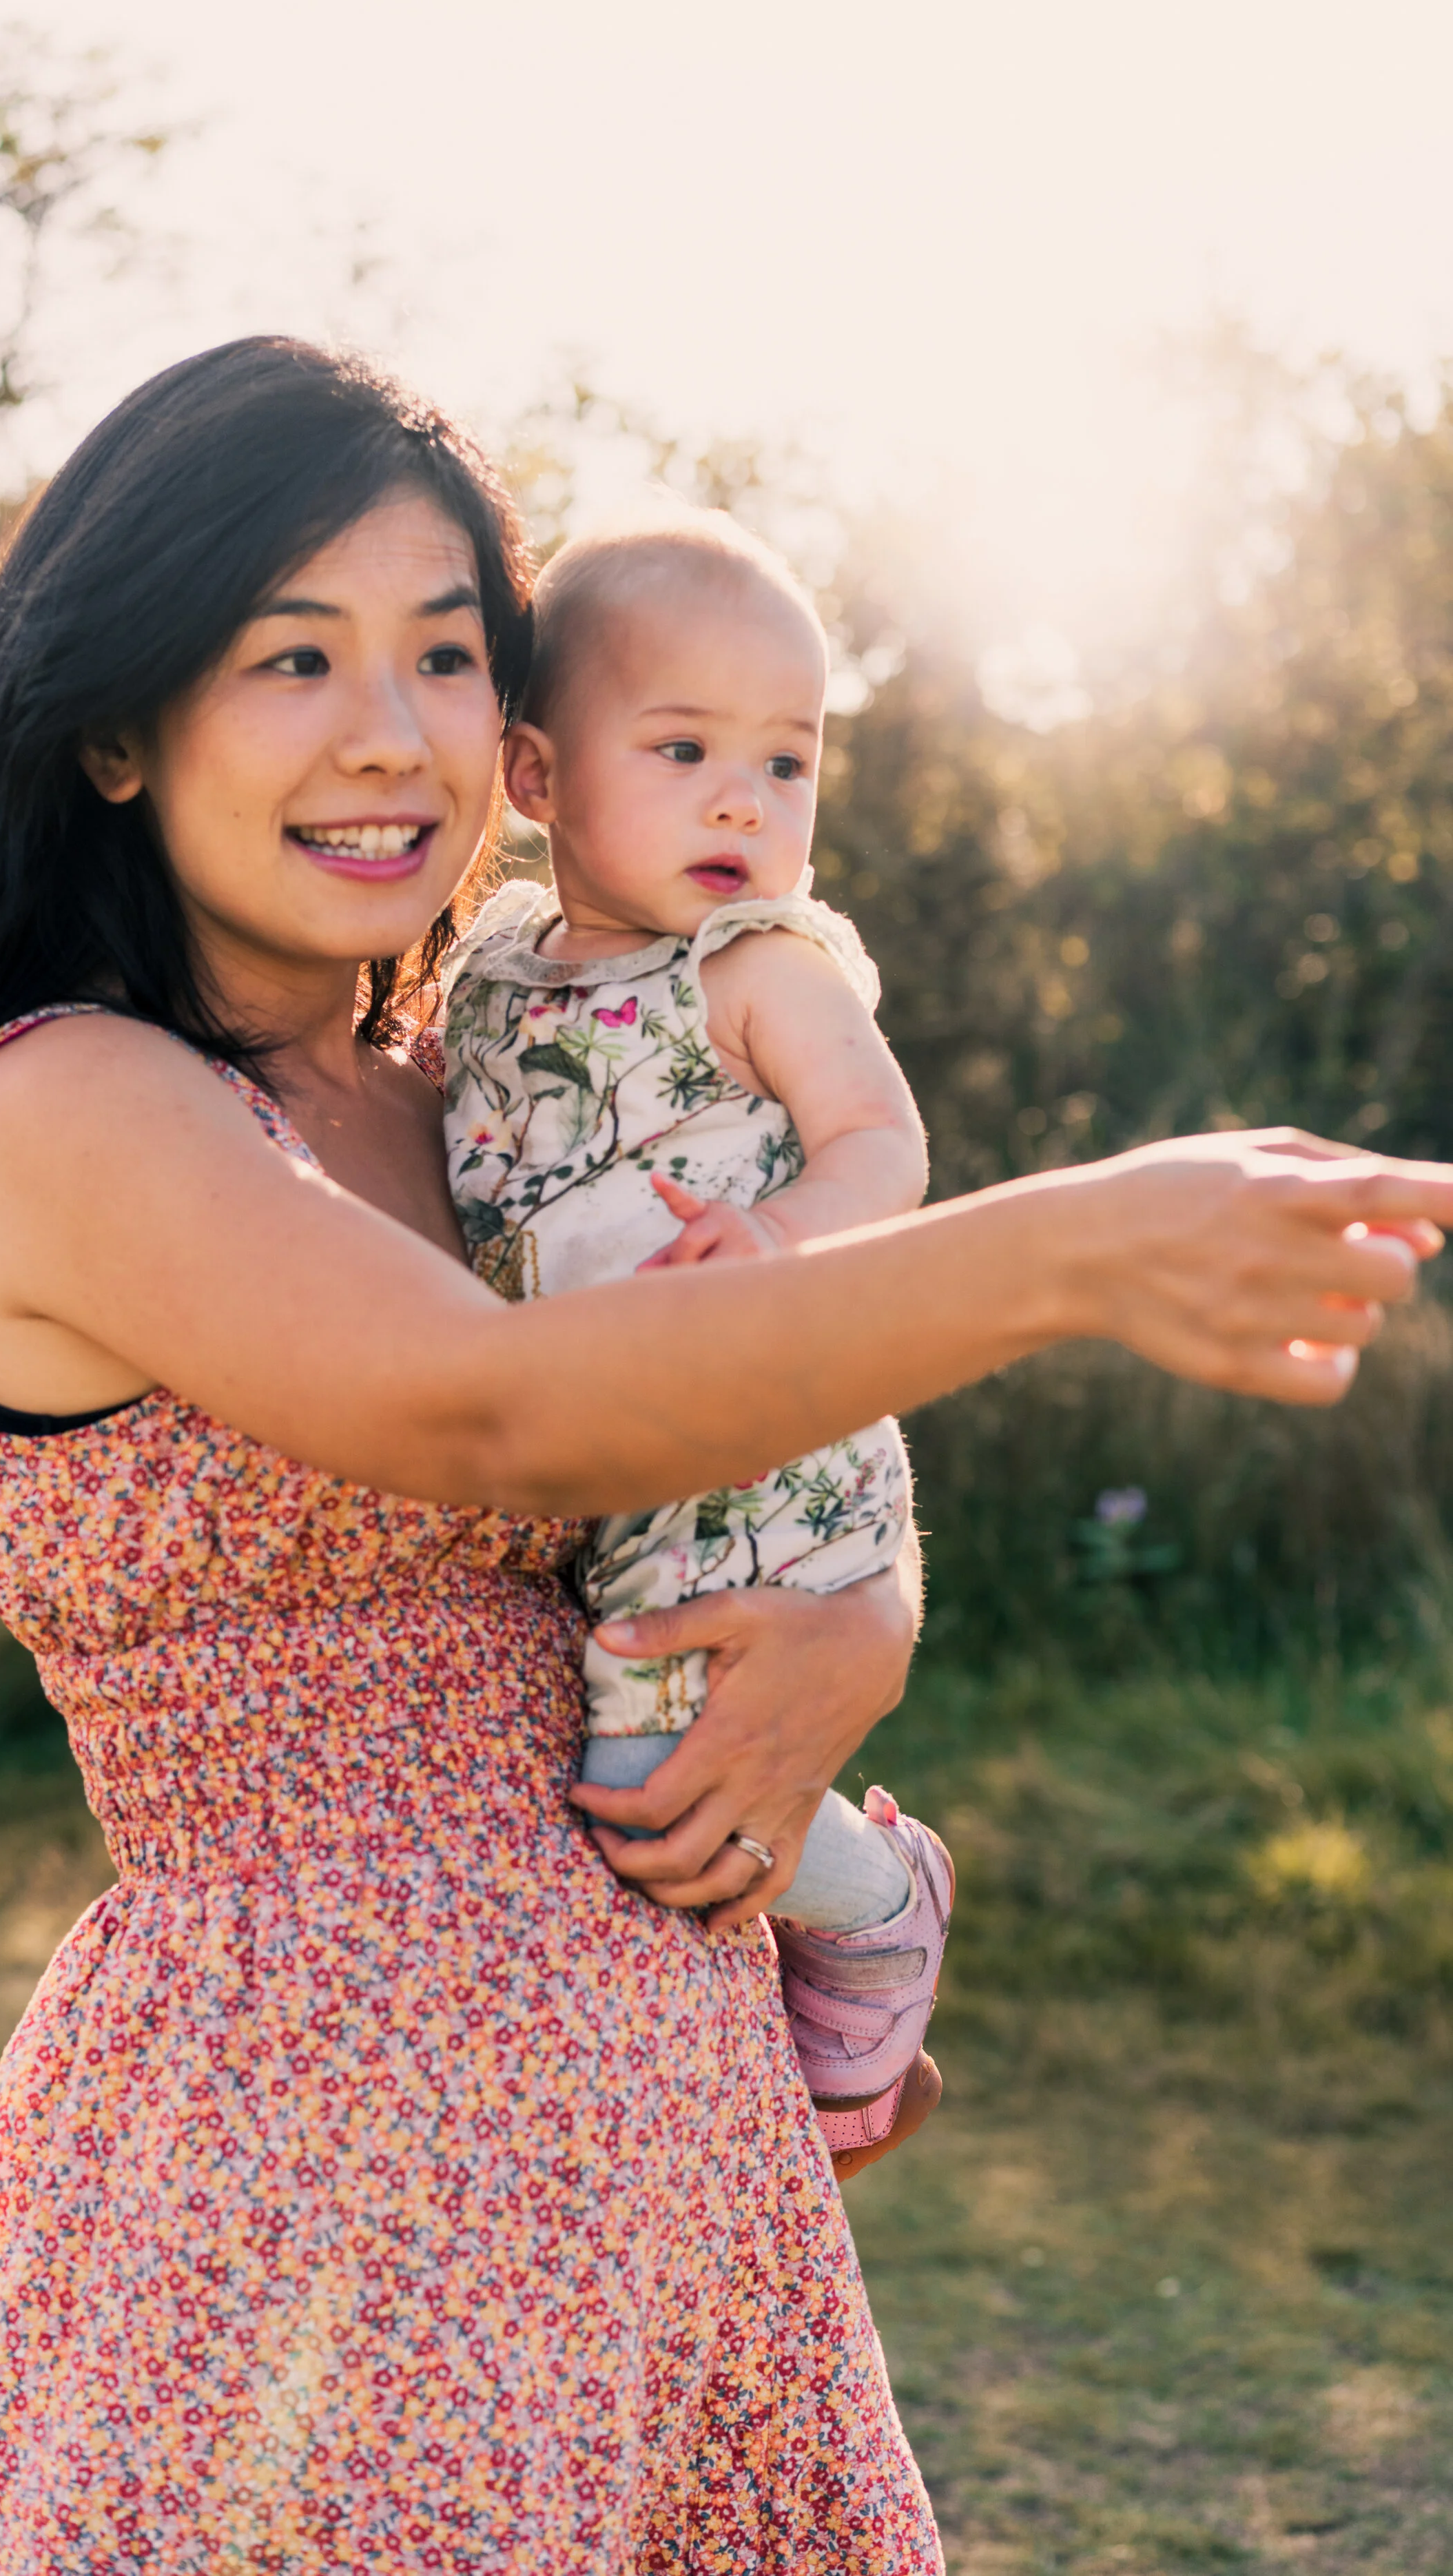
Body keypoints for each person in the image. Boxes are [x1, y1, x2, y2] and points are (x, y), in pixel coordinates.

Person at [0, 337, 1452, 2575]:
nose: (389, 729)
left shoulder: (482, 1089)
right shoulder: (74, 1108)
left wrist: (865, 1624)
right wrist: (1073, 1248)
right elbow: (492, 1413)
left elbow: (697, 1444)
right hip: (296, 2205)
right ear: (116, 720)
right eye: (295, 656)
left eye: (439, 654)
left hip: (669, 2163)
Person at [442, 508, 951, 2180]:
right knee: (643, 1776)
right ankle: (795, 2029)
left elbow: (885, 1147)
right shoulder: (486, 973)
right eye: (682, 750)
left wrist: (778, 1239)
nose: (745, 801)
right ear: (534, 772)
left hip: (760, 1452)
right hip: (601, 1463)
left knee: (651, 1786)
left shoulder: (757, 967)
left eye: (786, 763)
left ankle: (874, 1908)